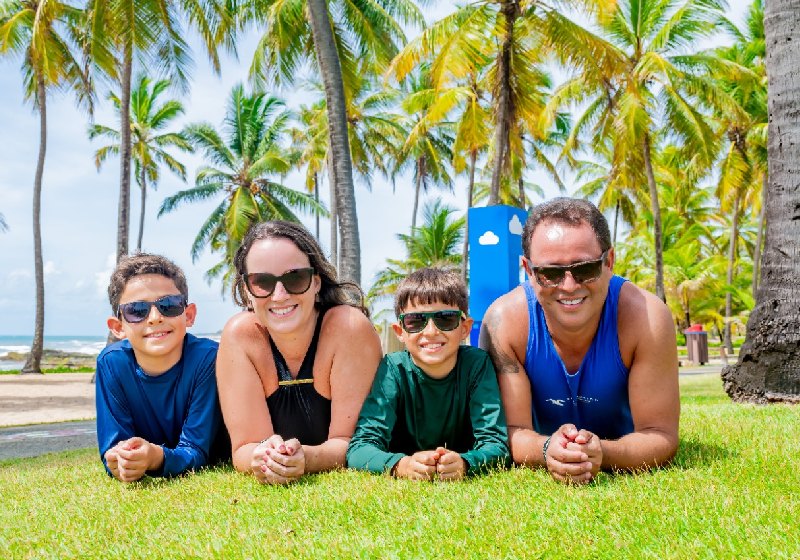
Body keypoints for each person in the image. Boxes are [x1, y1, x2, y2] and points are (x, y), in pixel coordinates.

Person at [479, 197, 679, 484]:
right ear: (529, 270)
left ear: (608, 262)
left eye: (585, 269)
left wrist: (603, 453)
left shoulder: (646, 318)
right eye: (550, 273)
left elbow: (660, 434)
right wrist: (547, 449)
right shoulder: (503, 322)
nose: (569, 286)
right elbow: (510, 430)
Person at [217, 221, 383, 484]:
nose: (280, 295)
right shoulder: (240, 336)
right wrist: (262, 457)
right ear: (247, 291)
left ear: (316, 282)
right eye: (262, 282)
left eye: (295, 278)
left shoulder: (348, 327)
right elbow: (244, 448)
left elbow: (355, 444)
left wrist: (305, 458)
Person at [347, 268, 508, 481]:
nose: (431, 331)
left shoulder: (476, 364)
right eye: (415, 321)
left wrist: (466, 462)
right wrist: (400, 465)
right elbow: (359, 449)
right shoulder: (393, 369)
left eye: (446, 319)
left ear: (465, 328)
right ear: (400, 331)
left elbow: (496, 444)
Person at [95, 253, 228, 482]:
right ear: (118, 327)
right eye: (137, 310)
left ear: (189, 315)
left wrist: (155, 458)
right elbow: (113, 446)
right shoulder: (111, 363)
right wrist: (121, 460)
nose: (155, 318)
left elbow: (197, 449)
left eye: (168, 305)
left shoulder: (207, 359)